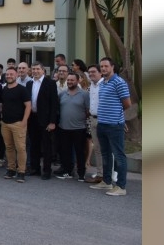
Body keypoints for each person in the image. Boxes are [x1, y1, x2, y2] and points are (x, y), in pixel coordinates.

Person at [89, 57, 131, 196]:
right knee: (106, 154)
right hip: (102, 124)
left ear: (112, 67)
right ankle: (106, 182)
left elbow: (127, 104)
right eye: (102, 66)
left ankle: (121, 186)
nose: (104, 68)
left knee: (119, 156)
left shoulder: (119, 82)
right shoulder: (103, 84)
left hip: (114, 125)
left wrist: (118, 118)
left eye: (106, 66)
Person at [26, 61, 59, 180]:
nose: (35, 71)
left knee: (46, 146)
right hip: (32, 118)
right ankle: (35, 168)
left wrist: (52, 122)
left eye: (37, 69)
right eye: (33, 69)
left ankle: (47, 170)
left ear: (43, 70)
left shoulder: (50, 83)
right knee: (33, 145)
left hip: (45, 119)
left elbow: (54, 103)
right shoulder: (29, 83)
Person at [56, 73, 90, 181]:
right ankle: (67, 171)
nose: (70, 82)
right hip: (63, 128)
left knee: (80, 152)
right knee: (65, 151)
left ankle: (81, 173)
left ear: (78, 81)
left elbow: (88, 111)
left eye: (72, 80)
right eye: (68, 80)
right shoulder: (62, 94)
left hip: (79, 128)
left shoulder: (84, 94)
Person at [0, 67, 31, 183]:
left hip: (18, 123)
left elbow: (28, 105)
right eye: (7, 74)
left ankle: (21, 171)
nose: (9, 76)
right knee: (9, 148)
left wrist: (24, 121)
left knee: (21, 148)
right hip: (5, 123)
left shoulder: (22, 90)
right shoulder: (4, 90)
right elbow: (1, 105)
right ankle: (11, 169)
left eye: (11, 74)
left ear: (16, 75)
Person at [85, 64, 104, 183]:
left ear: (100, 73)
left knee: (105, 149)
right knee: (97, 148)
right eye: (90, 72)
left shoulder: (105, 85)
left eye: (94, 72)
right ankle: (100, 174)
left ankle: (109, 175)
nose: (91, 74)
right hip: (93, 119)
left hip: (104, 120)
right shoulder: (92, 85)